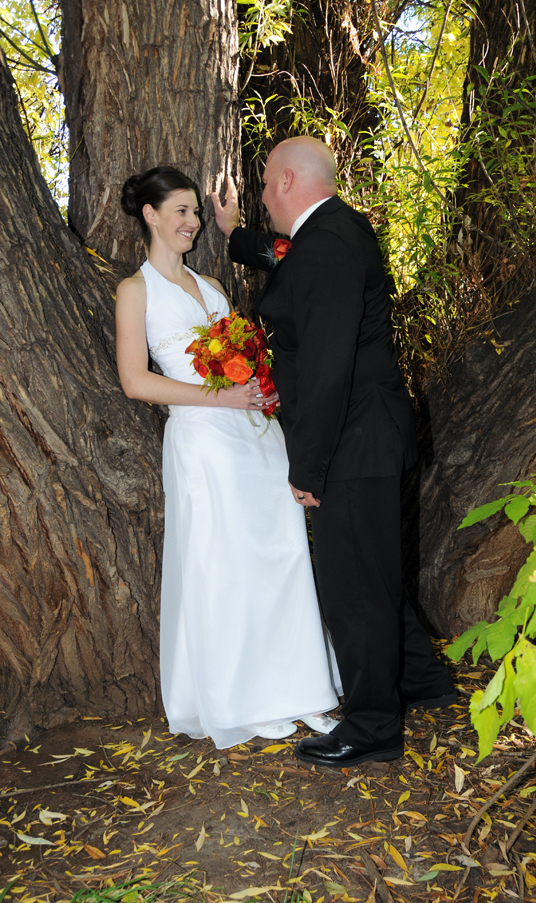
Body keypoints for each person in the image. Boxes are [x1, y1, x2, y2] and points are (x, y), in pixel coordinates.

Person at [211, 137, 457, 767]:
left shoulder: (327, 245)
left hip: (348, 439)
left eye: (265, 183)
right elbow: (284, 263)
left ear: (289, 181)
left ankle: (373, 727)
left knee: (353, 588)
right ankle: (421, 679)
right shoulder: (335, 234)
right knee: (373, 568)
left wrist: (307, 465)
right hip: (366, 434)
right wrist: (233, 233)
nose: (262, 195)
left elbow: (325, 369)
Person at [115, 165, 341, 749]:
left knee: (284, 553)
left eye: (195, 212)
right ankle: (243, 698)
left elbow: (243, 355)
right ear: (151, 215)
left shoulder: (211, 285)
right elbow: (136, 382)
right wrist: (219, 397)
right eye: (183, 212)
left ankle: (302, 687)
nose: (192, 223)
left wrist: (259, 388)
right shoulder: (135, 291)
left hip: (256, 436)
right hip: (203, 442)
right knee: (226, 564)